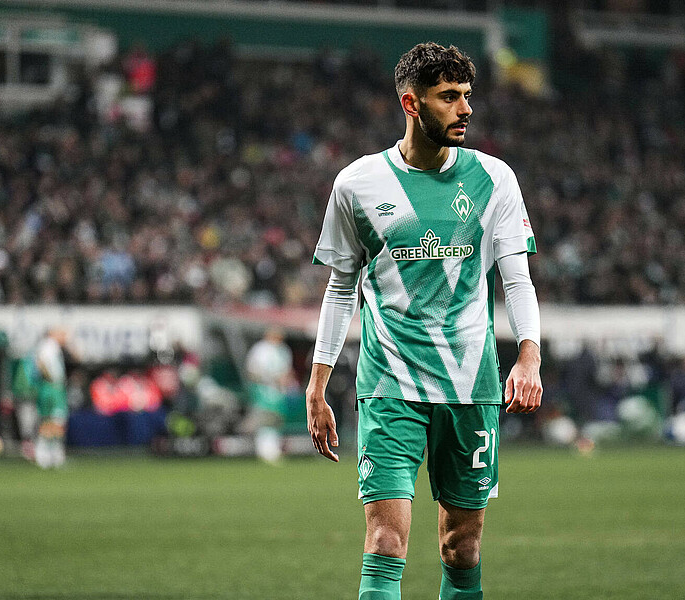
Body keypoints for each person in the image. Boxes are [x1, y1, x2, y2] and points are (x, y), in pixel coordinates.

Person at [305, 42, 542, 600]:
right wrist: (317, 385)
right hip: (390, 386)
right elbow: (341, 287)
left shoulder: (494, 179)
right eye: (448, 97)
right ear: (411, 104)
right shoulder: (357, 184)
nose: (464, 109)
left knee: (462, 545)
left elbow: (517, 278)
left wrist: (529, 354)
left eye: (466, 97)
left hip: (470, 386)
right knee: (385, 541)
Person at [242, 327, 296, 463]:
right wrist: (270, 379)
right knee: (264, 420)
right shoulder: (259, 350)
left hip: (279, 393)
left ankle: (274, 450)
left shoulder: (284, 350)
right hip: (263, 392)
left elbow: (287, 370)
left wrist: (286, 380)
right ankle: (264, 451)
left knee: (276, 421)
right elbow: (252, 371)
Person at [33, 328, 70, 468]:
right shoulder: (49, 346)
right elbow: (41, 362)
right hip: (52, 388)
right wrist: (50, 379)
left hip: (51, 387)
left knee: (51, 420)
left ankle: (51, 454)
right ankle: (47, 454)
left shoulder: (50, 346)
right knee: (53, 420)